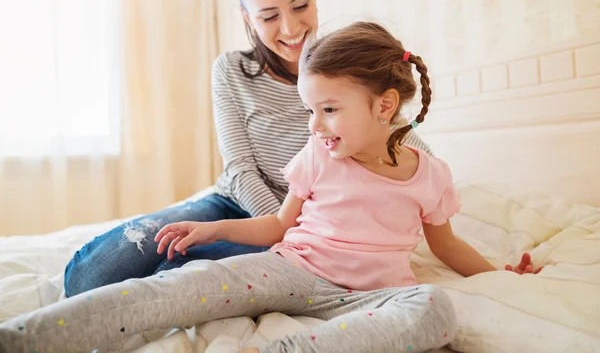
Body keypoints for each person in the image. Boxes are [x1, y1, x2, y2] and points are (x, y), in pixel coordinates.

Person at [0, 21, 542, 353]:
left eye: (328, 110)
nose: (314, 125)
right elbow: (278, 225)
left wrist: (502, 277)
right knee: (172, 291)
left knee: (434, 309)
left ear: (383, 106)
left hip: (366, 297)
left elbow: (445, 247)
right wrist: (208, 227)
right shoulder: (319, 155)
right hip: (291, 267)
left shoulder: (431, 175)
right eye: (310, 110)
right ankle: (22, 338)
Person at [62, 0, 436, 298]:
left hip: (309, 225)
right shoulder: (230, 71)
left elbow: (409, 148)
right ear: (246, 16)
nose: (290, 27)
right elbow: (240, 167)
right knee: (91, 276)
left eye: (301, 5)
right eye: (269, 16)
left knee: (171, 273)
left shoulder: (348, 72)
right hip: (236, 204)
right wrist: (281, 225)